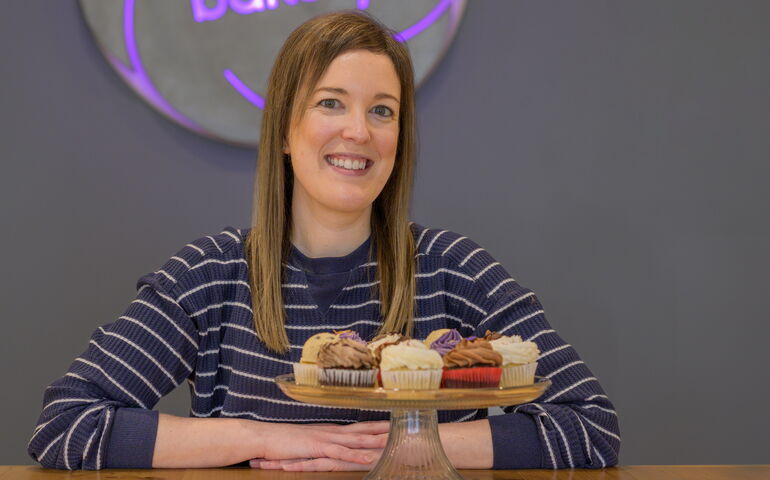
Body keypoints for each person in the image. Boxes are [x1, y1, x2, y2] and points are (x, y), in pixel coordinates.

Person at [27, 11, 620, 471]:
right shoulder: (212, 275)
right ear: (286, 129)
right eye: (331, 103)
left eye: (383, 111)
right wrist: (265, 437)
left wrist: (405, 445)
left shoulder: (452, 268)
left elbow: (590, 427)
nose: (358, 131)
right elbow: (66, 424)